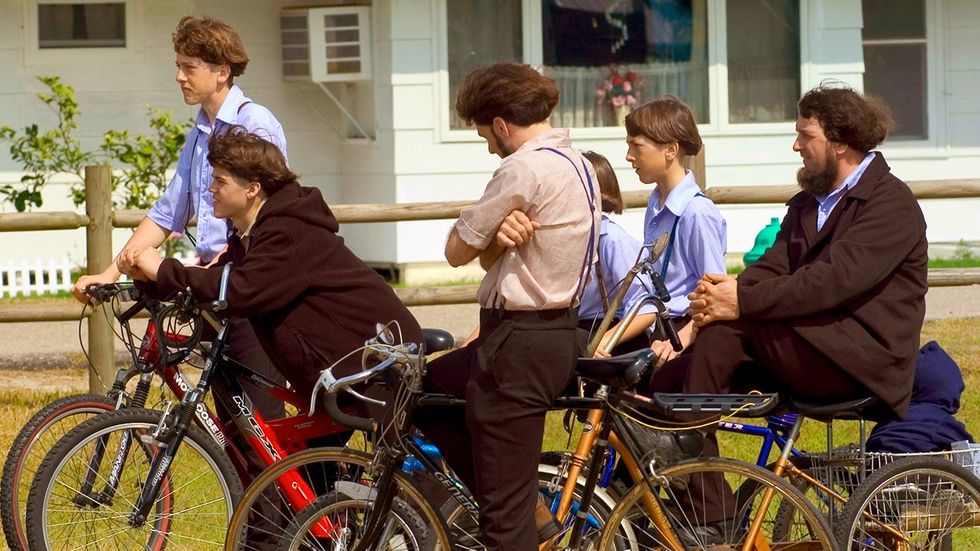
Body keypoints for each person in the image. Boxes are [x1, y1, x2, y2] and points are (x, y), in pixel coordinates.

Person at [656, 84, 929, 541]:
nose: (796, 145)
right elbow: (773, 265)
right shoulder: (809, 203)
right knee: (665, 380)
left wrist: (740, 302)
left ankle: (711, 518)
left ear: (840, 142)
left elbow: (831, 282)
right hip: (811, 344)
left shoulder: (890, 205)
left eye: (806, 135)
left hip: (860, 361)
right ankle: (669, 496)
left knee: (726, 335)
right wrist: (728, 289)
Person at [413, 62, 600, 550]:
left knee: (502, 519)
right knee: (428, 389)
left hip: (517, 341)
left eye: (485, 136)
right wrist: (497, 239)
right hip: (557, 332)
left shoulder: (522, 167)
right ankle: (529, 507)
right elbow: (495, 256)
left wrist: (478, 232)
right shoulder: (578, 164)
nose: (489, 147)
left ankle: (521, 507)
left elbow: (457, 252)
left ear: (500, 123)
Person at [71, 15, 288, 420]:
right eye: (179, 66)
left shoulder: (254, 125)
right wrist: (109, 273)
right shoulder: (201, 131)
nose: (178, 77)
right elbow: (168, 212)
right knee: (233, 428)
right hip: (215, 287)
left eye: (189, 67)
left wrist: (223, 262)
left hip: (249, 290)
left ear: (222, 72)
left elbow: (271, 212)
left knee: (261, 425)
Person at [118, 127, 423, 403]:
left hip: (375, 366)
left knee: (296, 459)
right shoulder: (253, 234)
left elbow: (238, 290)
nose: (210, 189)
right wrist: (147, 278)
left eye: (219, 181)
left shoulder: (288, 232)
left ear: (252, 189)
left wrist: (162, 267)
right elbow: (212, 280)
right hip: (336, 371)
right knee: (301, 463)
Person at [624, 96, 726, 367]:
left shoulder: (697, 213)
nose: (629, 156)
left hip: (680, 336)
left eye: (637, 146)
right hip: (656, 329)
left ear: (670, 149)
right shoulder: (656, 203)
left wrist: (677, 342)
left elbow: (715, 294)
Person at [579, 150, 657, 357]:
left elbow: (644, 308)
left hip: (614, 338)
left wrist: (602, 341)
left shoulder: (612, 239)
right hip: (577, 333)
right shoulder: (566, 239)